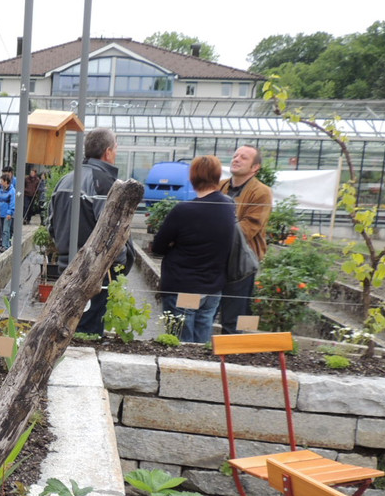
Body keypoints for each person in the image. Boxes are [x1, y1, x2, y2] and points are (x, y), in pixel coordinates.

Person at [49, 127, 134, 335]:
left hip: (65, 266)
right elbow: (112, 232)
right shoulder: (104, 184)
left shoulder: (65, 180)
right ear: (107, 152)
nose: (116, 153)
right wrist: (121, 261)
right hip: (95, 272)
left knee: (65, 327)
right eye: (115, 148)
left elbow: (51, 225)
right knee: (88, 332)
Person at [151, 156, 235, 343]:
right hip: (212, 289)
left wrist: (175, 244)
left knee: (180, 343)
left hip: (183, 287)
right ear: (217, 177)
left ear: (192, 177)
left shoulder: (183, 210)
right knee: (201, 346)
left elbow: (158, 247)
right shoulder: (228, 206)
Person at [218, 144, 272, 334]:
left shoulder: (261, 192)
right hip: (216, 258)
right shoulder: (220, 186)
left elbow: (249, 227)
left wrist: (211, 235)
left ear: (255, 167)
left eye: (244, 157)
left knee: (233, 318)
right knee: (202, 309)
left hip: (241, 262)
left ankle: (231, 350)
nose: (236, 159)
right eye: (235, 155)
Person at [0, 173, 16, 251]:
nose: (1, 182)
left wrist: (9, 213)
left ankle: (5, 245)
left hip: (6, 214)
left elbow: (12, 203)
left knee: (6, 230)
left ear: (6, 181)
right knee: (0, 230)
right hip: (0, 213)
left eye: (2, 181)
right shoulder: (0, 189)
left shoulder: (12, 191)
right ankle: (1, 244)